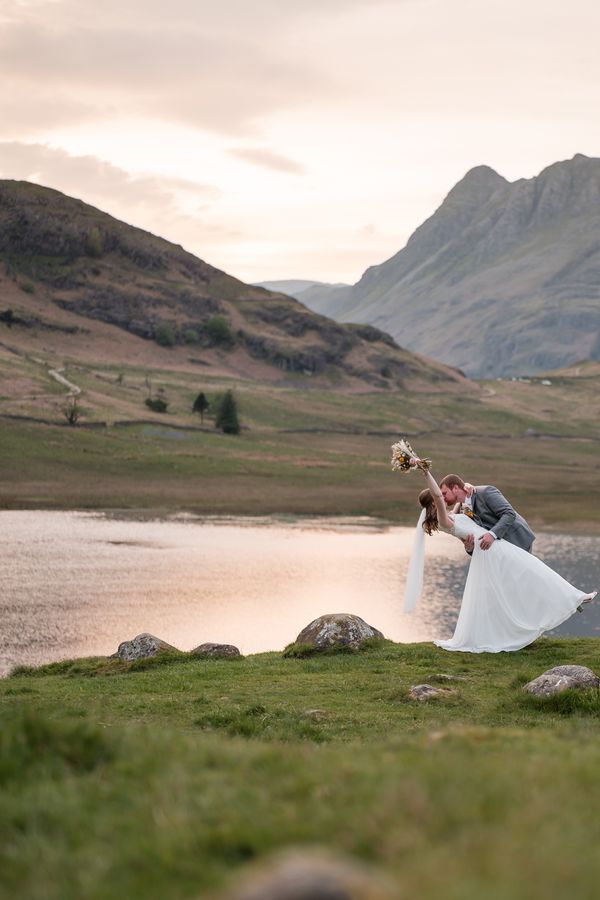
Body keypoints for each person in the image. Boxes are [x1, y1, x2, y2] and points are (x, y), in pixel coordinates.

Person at [407, 460, 596, 653]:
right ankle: (571, 600)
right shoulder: (443, 519)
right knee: (532, 575)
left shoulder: (454, 513)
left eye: (445, 493)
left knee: (529, 577)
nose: (443, 497)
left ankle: (571, 599)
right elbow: (443, 500)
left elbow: (472, 513)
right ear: (434, 502)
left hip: (497, 546)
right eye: (440, 496)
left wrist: (469, 486)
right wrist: (424, 471)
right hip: (494, 550)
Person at [439, 474, 535, 555]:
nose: (443, 498)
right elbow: (475, 541)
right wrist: (469, 549)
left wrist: (492, 534)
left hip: (518, 541)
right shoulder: (460, 512)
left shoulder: (486, 492)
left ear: (455, 488)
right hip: (499, 552)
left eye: (444, 493)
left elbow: (509, 514)